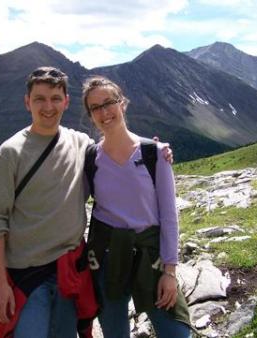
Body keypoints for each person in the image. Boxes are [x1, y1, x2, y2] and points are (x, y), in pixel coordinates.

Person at [0, 67, 172, 338]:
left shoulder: (80, 143)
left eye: (56, 98)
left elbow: (115, 144)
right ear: (27, 102)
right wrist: (0, 284)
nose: (48, 106)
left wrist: (152, 149)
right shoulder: (10, 153)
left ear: (66, 101)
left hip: (69, 270)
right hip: (27, 275)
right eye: (40, 99)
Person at [82, 76, 192, 338]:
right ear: (90, 116)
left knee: (177, 332)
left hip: (149, 254)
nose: (104, 112)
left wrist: (170, 271)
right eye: (95, 108)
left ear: (123, 104)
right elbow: (70, 203)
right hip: (107, 255)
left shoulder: (155, 153)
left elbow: (169, 216)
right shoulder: (90, 159)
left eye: (109, 103)